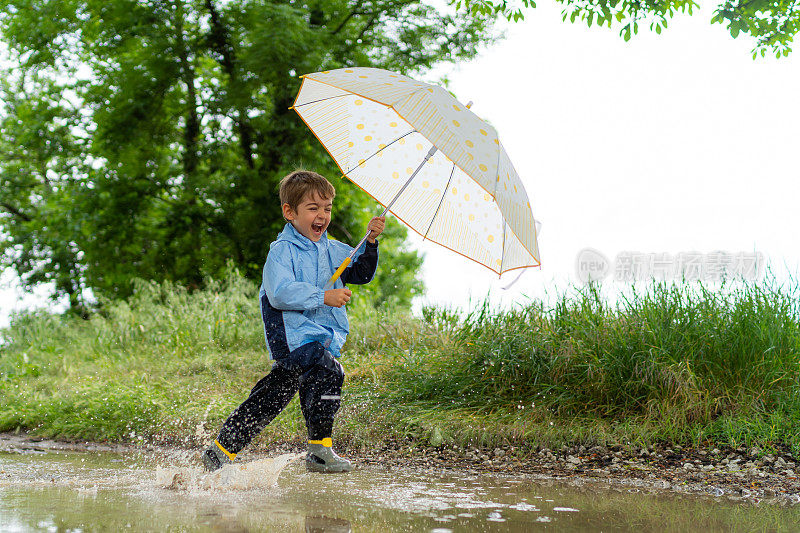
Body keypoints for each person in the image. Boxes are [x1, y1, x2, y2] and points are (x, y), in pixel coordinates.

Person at [202, 170, 385, 473]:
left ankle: (314, 450)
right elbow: (280, 294)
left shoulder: (335, 250)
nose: (322, 215)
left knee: (316, 381)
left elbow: (362, 274)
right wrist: (323, 297)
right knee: (291, 385)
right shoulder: (281, 251)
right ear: (290, 212)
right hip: (289, 336)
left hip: (317, 338)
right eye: (313, 208)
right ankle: (229, 449)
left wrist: (372, 241)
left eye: (327, 208)